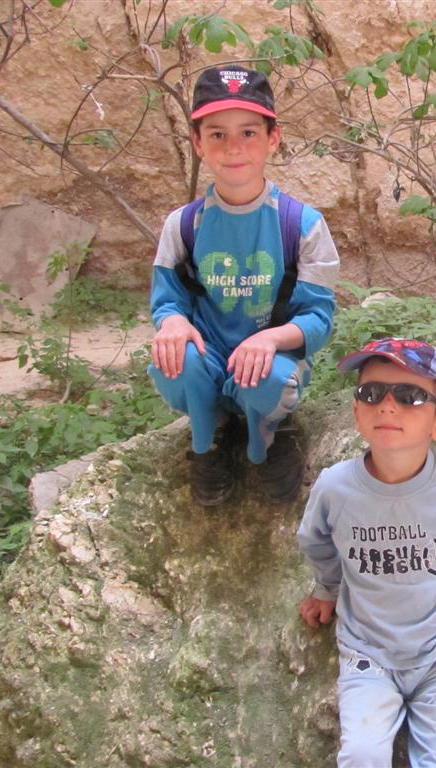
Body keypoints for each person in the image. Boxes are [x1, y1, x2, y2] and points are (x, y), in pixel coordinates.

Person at [297, 338, 436, 767]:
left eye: (410, 396)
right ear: (356, 413)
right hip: (368, 653)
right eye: (371, 393)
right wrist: (327, 588)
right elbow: (315, 540)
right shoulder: (336, 488)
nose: (388, 406)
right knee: (362, 755)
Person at [148, 65, 339, 506]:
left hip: (270, 361)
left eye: (249, 132)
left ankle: (266, 438)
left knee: (268, 376)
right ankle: (209, 437)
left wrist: (270, 339)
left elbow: (318, 319)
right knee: (172, 360)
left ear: (273, 138)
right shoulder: (183, 225)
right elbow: (168, 300)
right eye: (217, 134)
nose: (233, 147)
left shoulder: (302, 225)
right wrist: (172, 322)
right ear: (197, 142)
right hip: (211, 357)